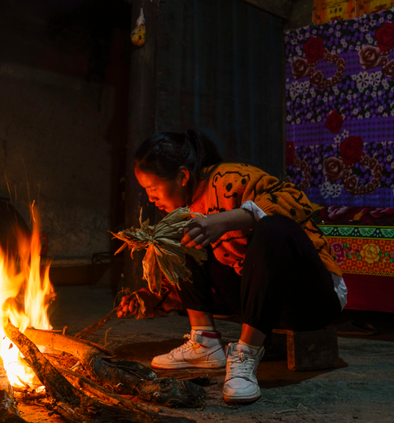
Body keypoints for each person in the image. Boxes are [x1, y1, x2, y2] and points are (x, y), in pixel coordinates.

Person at [118, 129, 347, 403]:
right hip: (261, 306)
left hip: (310, 301)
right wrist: (150, 299)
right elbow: (195, 274)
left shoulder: (230, 178)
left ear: (182, 176)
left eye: (153, 188)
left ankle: (246, 354)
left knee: (273, 228)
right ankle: (204, 343)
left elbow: (295, 199)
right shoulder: (187, 209)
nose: (150, 198)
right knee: (182, 236)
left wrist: (225, 220)